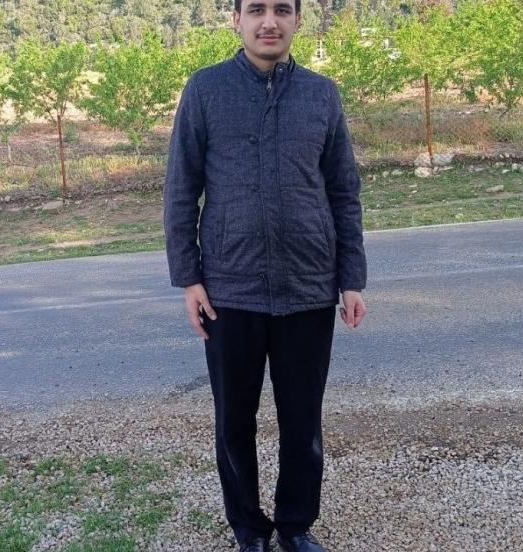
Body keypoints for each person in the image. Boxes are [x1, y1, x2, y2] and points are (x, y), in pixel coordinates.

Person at [163, 0, 367, 550]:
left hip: (308, 286)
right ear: (236, 20)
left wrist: (350, 278)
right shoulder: (205, 90)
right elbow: (181, 190)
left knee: (302, 420)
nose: (269, 21)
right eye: (256, 9)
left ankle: (296, 525)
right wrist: (189, 277)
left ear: (298, 20)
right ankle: (249, 530)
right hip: (229, 289)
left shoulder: (321, 95)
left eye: (282, 10)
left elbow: (343, 191)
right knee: (234, 422)